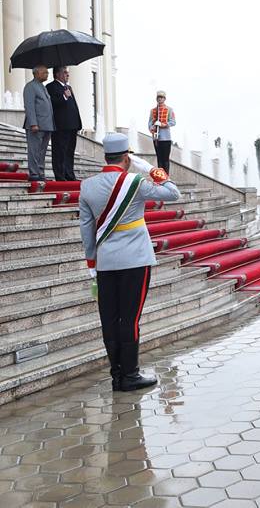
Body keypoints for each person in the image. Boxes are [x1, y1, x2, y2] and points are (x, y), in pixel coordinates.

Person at [79, 132, 181, 391]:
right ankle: (131, 375)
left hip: (105, 262)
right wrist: (150, 169)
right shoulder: (135, 182)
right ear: (126, 158)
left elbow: (86, 230)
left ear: (106, 157)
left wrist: (92, 263)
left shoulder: (87, 186)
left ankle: (117, 375)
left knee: (110, 319)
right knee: (130, 319)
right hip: (135, 260)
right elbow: (173, 193)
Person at [46, 66, 82, 181]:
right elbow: (52, 103)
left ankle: (69, 175)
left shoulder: (68, 87)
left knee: (69, 152)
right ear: (57, 74)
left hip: (72, 126)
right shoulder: (51, 87)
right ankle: (60, 176)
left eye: (67, 72)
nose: (68, 74)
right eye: (65, 72)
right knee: (59, 152)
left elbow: (74, 107)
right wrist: (64, 96)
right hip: (61, 126)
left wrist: (78, 123)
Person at [22, 65, 54, 181]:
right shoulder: (30, 86)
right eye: (44, 72)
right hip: (36, 125)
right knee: (34, 150)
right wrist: (33, 123)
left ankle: (40, 173)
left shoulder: (42, 87)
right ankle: (34, 174)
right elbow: (29, 106)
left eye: (47, 72)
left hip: (46, 125)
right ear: (36, 73)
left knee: (42, 151)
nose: (47, 74)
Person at [148, 91, 176, 174]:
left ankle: (166, 176)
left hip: (166, 138)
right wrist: (152, 127)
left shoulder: (169, 109)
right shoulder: (153, 110)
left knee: (165, 159)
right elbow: (150, 122)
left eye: (161, 97)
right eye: (158, 97)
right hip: (156, 138)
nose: (160, 99)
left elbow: (173, 122)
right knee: (159, 159)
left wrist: (162, 124)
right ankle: (160, 176)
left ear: (164, 99)